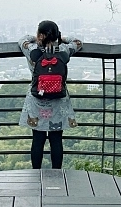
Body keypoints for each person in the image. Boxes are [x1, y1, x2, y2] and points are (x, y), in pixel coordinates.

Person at [18, 20, 82, 169]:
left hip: (37, 101)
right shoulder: (63, 50)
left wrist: (36, 39)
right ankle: (57, 174)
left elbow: (22, 40)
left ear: (40, 35)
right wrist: (62, 39)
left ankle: (36, 173)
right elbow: (78, 42)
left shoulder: (33, 49)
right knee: (56, 140)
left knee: (38, 139)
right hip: (59, 100)